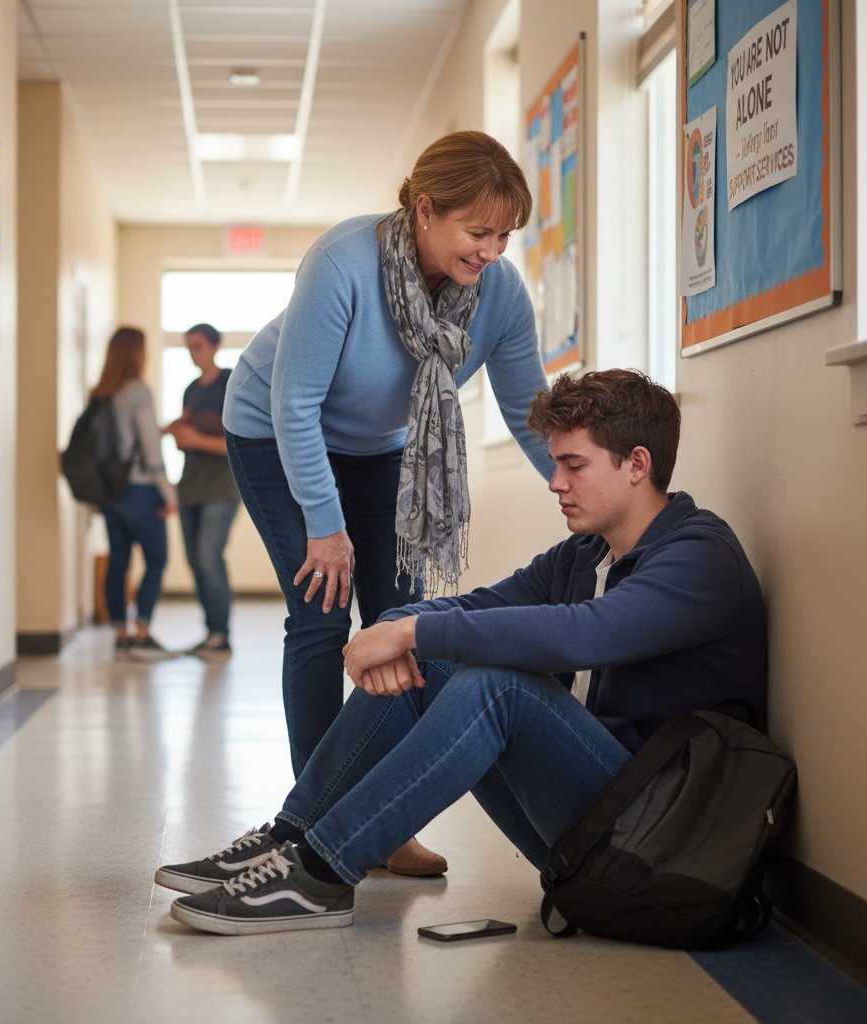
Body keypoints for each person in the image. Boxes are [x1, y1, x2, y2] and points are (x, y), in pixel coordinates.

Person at [159, 369, 768, 936]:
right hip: (591, 824)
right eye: (555, 463)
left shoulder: (700, 556)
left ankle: (319, 875)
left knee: (496, 687)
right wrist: (397, 624)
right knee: (438, 662)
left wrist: (409, 635)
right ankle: (293, 838)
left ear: (638, 464)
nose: (555, 482)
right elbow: (482, 606)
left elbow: (584, 632)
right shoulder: (586, 554)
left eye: (573, 465)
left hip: (654, 842)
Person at [219, 131, 554, 873]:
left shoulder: (496, 293)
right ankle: (312, 821)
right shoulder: (343, 262)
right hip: (274, 434)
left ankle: (377, 818)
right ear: (426, 211)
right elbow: (294, 404)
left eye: (504, 234)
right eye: (478, 231)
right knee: (320, 610)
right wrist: (324, 526)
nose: (492, 251)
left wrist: (571, 479)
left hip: (381, 449)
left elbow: (530, 405)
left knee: (401, 623)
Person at [92, 326, 177, 657]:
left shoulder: (100, 393)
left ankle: (120, 634)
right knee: (156, 559)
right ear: (136, 353)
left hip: (110, 491)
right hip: (140, 488)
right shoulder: (138, 391)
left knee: (119, 560)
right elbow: (150, 448)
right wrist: (168, 493)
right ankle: (142, 632)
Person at [164, 323, 240, 660]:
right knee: (195, 562)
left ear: (214, 346)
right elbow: (185, 428)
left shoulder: (230, 383)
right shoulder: (191, 389)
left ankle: (221, 635)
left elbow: (236, 441)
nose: (193, 353)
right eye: (188, 347)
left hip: (221, 485)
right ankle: (210, 632)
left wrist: (196, 440)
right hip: (190, 486)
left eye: (198, 346)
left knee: (209, 557)